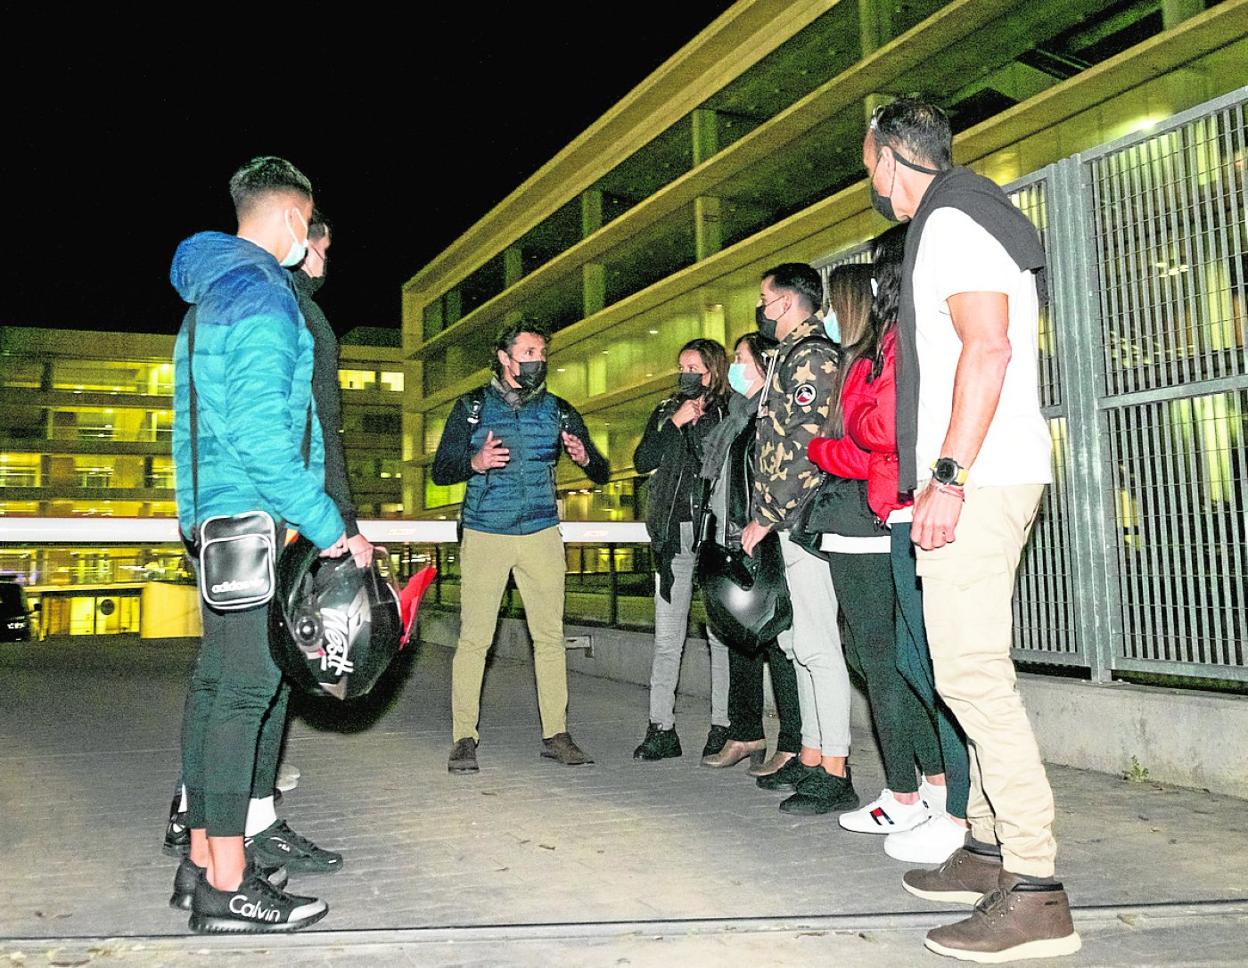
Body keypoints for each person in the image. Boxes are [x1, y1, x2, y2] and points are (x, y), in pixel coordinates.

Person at [863, 97, 1079, 961]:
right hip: (982, 474)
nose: (868, 181)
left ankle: (1035, 888)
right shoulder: (962, 215)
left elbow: (985, 350)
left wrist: (947, 477)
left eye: (867, 162)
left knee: (974, 677)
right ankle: (989, 850)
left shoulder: (952, 221)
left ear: (887, 157)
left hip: (979, 477)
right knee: (964, 672)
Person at [171, 156, 348, 932]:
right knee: (243, 695)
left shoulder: (214, 289)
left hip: (215, 516)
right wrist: (332, 526)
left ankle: (207, 863)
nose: (309, 238)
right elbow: (264, 439)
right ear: (288, 220)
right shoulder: (262, 295)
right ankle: (228, 888)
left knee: (218, 692)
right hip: (248, 518)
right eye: (308, 225)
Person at [807, 255, 961, 849]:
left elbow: (877, 437)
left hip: (874, 517)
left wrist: (822, 451)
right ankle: (923, 789)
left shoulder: (884, 353)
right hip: (875, 514)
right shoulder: (868, 356)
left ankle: (916, 793)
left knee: (890, 660)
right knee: (892, 659)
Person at [431, 320, 609, 773]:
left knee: (549, 638)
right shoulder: (471, 407)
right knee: (475, 640)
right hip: (486, 532)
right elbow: (441, 469)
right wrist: (475, 461)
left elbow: (603, 471)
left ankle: (557, 733)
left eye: (541, 352)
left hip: (541, 533)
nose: (537, 360)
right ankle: (463, 738)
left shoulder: (558, 410)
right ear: (505, 358)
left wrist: (586, 457)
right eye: (527, 352)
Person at [743, 263, 858, 815]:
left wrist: (765, 514)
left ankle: (834, 768)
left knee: (817, 645)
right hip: (789, 518)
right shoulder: (789, 356)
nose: (761, 310)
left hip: (802, 516)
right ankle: (812, 758)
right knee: (800, 644)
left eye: (766, 300)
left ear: (787, 302)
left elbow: (804, 446)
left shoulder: (811, 356)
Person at [697, 333, 804, 774]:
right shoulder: (738, 415)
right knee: (739, 636)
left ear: (763, 364)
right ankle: (745, 733)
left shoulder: (771, 413)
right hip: (732, 537)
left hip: (765, 539)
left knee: (776, 640)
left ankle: (793, 742)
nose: (735, 367)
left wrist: (759, 528)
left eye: (741, 358)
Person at [632, 339, 732, 762]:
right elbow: (642, 460)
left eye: (695, 366)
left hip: (714, 535)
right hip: (673, 535)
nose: (686, 373)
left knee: (719, 636)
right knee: (667, 635)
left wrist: (703, 422)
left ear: (713, 371)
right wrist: (675, 421)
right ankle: (661, 726)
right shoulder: (664, 411)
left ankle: (723, 724)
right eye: (681, 366)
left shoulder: (731, 412)